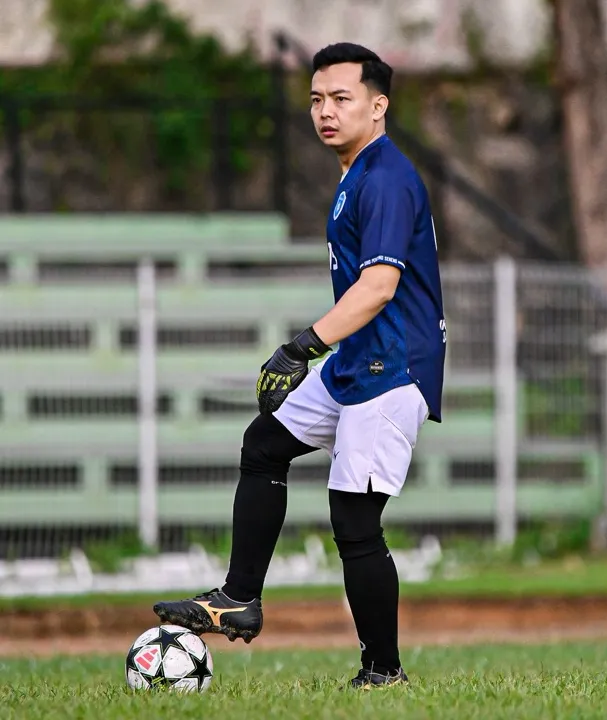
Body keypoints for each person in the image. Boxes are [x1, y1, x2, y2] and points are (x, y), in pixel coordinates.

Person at [153, 41, 447, 689]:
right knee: (264, 444)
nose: (325, 111)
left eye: (342, 98)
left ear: (379, 105)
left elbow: (379, 287)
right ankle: (239, 598)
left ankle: (383, 672)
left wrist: (301, 346)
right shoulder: (357, 174)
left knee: (354, 522)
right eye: (316, 99)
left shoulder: (386, 177)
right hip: (358, 363)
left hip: (392, 368)